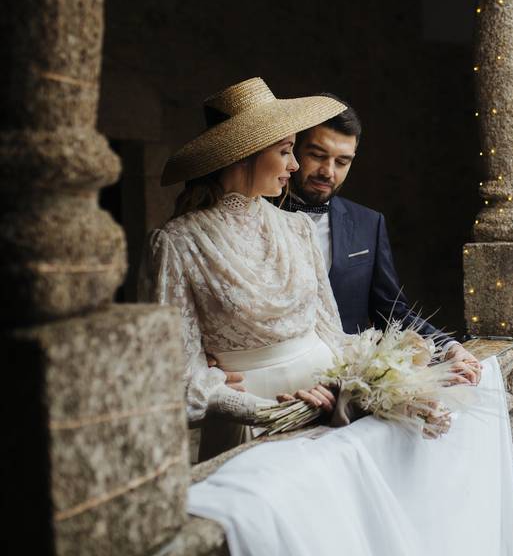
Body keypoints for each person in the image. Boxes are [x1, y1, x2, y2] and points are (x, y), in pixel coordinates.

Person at [140, 77, 449, 461]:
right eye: (286, 150)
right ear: (246, 153)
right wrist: (261, 410)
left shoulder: (296, 227)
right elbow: (172, 376)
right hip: (250, 421)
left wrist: (398, 377)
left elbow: (331, 333)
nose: (296, 164)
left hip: (327, 404)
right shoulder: (177, 243)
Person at [282, 94, 484, 384]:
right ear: (294, 149)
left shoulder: (368, 224)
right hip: (277, 385)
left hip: (348, 384)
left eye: (342, 161)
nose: (328, 172)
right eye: (317, 155)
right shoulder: (255, 215)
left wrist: (448, 347)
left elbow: (391, 311)